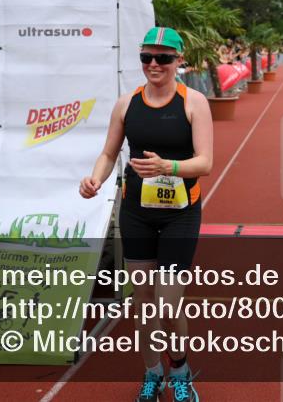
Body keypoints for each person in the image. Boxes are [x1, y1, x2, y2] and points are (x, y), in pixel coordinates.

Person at [80, 26, 212, 402]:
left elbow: (205, 162)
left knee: (169, 305)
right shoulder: (126, 104)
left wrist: (167, 168)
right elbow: (109, 153)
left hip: (180, 213)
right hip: (136, 211)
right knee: (143, 304)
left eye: (163, 58)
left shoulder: (194, 102)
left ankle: (181, 369)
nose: (154, 64)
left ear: (178, 61)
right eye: (146, 57)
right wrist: (95, 179)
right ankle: (153, 372)